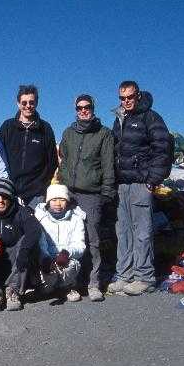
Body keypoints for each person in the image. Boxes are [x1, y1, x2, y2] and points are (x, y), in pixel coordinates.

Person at [108, 81, 172, 296]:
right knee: (123, 231)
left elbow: (163, 147)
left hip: (140, 183)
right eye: (122, 98)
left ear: (138, 95)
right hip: (122, 183)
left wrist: (153, 179)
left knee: (142, 231)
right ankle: (124, 274)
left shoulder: (151, 117)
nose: (126, 101)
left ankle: (144, 276)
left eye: (130, 97)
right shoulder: (120, 119)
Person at [58, 94, 115, 302]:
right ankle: (72, 283)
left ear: (93, 108)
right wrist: (62, 182)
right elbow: (63, 159)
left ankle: (93, 283)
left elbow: (108, 166)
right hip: (69, 193)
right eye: (80, 108)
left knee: (92, 239)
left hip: (91, 193)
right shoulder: (68, 132)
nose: (83, 110)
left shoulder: (103, 134)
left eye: (87, 107)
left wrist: (107, 194)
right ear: (75, 110)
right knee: (69, 237)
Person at [0, 178, 42, 311]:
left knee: (26, 243)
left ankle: (13, 291)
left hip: (16, 262)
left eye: (5, 196)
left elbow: (35, 229)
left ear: (11, 197)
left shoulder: (20, 211)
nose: (0, 200)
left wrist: (24, 250)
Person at [0, 85, 58, 208]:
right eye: (24, 102)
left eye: (31, 102)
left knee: (35, 226)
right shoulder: (7, 127)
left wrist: (42, 184)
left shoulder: (45, 129)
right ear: (18, 104)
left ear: (36, 103)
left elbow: (52, 161)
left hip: (36, 193)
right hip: (10, 190)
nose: (28, 106)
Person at [34, 184, 85, 302]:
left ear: (67, 201)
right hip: (48, 259)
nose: (58, 203)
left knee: (72, 265)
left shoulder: (76, 219)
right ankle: (46, 288)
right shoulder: (40, 218)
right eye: (54, 200)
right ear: (48, 201)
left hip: (65, 259)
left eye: (62, 200)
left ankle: (67, 287)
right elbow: (41, 243)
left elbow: (80, 244)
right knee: (45, 271)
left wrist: (67, 253)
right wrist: (45, 258)